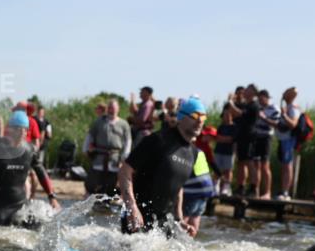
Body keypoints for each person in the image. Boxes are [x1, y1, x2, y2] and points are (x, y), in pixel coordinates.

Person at [118, 96, 206, 237]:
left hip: (165, 223)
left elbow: (178, 186)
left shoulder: (193, 152)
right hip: (138, 218)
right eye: (195, 115)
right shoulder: (158, 140)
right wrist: (131, 207)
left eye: (203, 116)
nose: (200, 121)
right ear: (181, 117)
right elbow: (125, 171)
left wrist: (179, 219)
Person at [84, 99, 132, 197]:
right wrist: (86, 150)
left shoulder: (123, 124)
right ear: (107, 109)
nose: (112, 110)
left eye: (114, 108)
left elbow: (128, 141)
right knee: (93, 184)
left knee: (113, 187)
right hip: (99, 158)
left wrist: (124, 157)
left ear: (118, 109)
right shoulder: (98, 122)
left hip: (115, 159)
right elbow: (90, 137)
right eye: (110, 108)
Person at [181, 125, 220, 236]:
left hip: (194, 189)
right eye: (210, 136)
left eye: (213, 137)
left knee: (183, 217)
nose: (211, 139)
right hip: (207, 189)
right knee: (196, 215)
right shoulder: (200, 147)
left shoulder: (191, 146)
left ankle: (180, 241)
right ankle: (191, 240)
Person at [227, 83, 261, 196]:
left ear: (252, 92)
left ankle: (253, 188)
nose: (244, 91)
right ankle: (240, 187)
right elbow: (234, 114)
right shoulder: (246, 104)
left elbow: (239, 113)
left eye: (247, 90)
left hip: (249, 136)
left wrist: (230, 102)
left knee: (249, 162)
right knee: (241, 162)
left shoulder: (254, 105)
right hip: (241, 136)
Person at [250, 89, 280, 198]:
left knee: (265, 166)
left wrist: (264, 118)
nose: (259, 100)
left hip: (266, 138)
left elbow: (276, 124)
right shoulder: (258, 107)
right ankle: (256, 191)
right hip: (256, 138)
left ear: (266, 98)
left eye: (261, 98)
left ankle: (267, 192)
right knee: (256, 165)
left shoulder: (274, 108)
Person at [275, 87, 301, 199]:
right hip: (283, 140)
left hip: (289, 140)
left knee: (288, 165)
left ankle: (286, 192)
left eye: (286, 93)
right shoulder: (288, 107)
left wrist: (284, 115)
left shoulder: (293, 108)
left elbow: (293, 124)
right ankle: (283, 190)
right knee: (284, 166)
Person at [214, 106, 237, 196]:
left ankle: (226, 188)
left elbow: (232, 139)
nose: (226, 117)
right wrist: (224, 139)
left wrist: (223, 139)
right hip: (219, 150)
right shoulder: (221, 127)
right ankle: (216, 186)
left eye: (228, 115)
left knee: (228, 170)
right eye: (225, 115)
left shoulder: (234, 127)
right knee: (217, 169)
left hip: (229, 152)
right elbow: (217, 138)